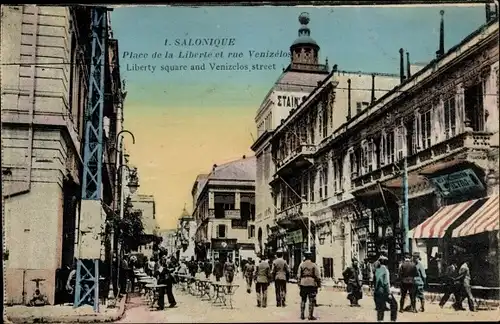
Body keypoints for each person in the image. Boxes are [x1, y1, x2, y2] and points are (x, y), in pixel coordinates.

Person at [297, 251, 321, 320]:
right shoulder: (313, 265)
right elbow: (317, 276)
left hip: (303, 283)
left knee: (303, 299)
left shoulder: (301, 265)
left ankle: (302, 315)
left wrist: (299, 283)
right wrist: (319, 284)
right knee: (311, 300)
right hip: (311, 284)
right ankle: (310, 316)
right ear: (310, 256)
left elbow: (298, 275)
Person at [374, 255, 398, 322]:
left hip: (377, 292)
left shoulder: (377, 270)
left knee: (380, 308)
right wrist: (389, 293)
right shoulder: (385, 270)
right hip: (384, 291)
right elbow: (386, 283)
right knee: (394, 304)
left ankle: (380, 320)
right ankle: (393, 320)